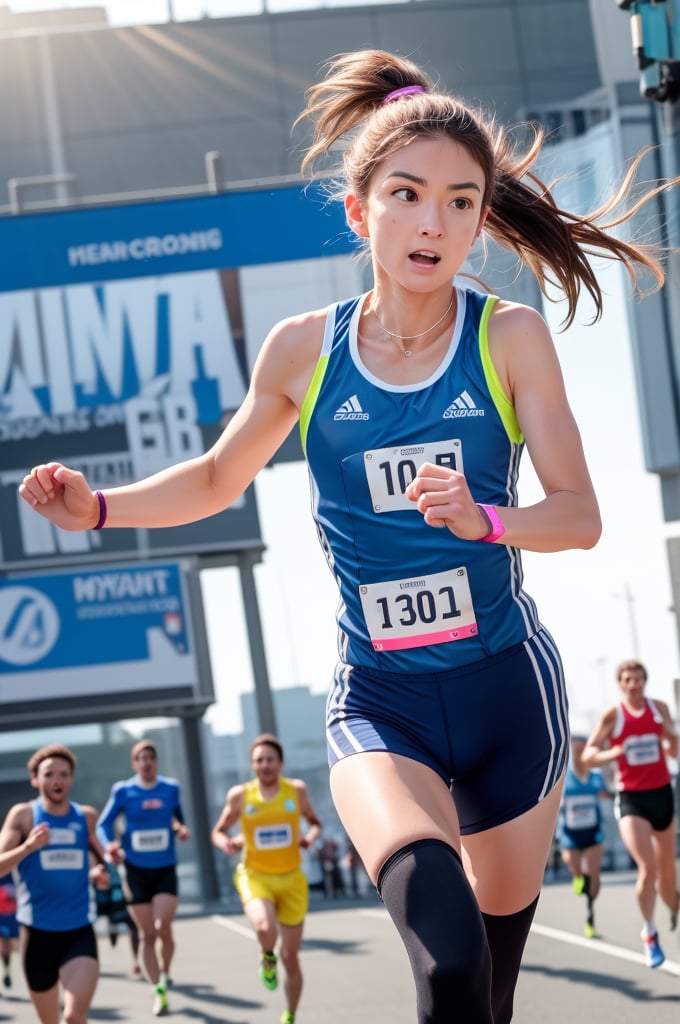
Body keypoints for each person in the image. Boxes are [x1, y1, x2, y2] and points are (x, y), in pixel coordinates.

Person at [18, 48, 679, 1023]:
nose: (432, 221)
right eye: (406, 194)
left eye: (460, 201)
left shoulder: (505, 338)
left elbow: (577, 515)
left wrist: (482, 517)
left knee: (486, 994)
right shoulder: (302, 351)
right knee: (446, 964)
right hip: (382, 701)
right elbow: (212, 477)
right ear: (358, 210)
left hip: (506, 695)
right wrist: (99, 507)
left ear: (481, 217)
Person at [211, 734, 321, 1024]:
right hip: (255, 875)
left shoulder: (296, 791)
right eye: (259, 760)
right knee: (264, 925)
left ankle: (290, 1014)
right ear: (252, 765)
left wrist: (309, 837)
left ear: (281, 763)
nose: (265, 765)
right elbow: (218, 830)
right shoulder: (240, 795)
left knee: (292, 958)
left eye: (270, 759)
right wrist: (226, 843)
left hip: (292, 881)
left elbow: (315, 823)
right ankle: (266, 957)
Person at [0, 744, 109, 1024]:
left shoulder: (85, 817)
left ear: (71, 779)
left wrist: (100, 872)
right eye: (49, 774)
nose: (57, 780)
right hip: (37, 934)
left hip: (79, 931)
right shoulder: (23, 815)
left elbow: (100, 859)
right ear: (35, 779)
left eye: (64, 774)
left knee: (74, 1017)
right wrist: (27, 847)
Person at [582, 659, 679, 968]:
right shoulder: (613, 715)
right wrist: (614, 752)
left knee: (668, 871)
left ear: (645, 681)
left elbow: (673, 750)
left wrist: (670, 736)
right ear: (620, 684)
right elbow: (587, 757)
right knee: (647, 867)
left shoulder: (659, 709)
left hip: (662, 793)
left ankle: (673, 908)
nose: (634, 684)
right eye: (628, 679)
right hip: (632, 799)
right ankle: (649, 932)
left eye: (638, 679)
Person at [96, 740, 189, 1016]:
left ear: (156, 761)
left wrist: (181, 829)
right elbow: (103, 824)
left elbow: (178, 819)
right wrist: (110, 846)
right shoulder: (124, 790)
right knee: (148, 934)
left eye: (150, 757)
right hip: (135, 870)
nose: (146, 762)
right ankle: (158, 987)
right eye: (140, 758)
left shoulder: (170, 788)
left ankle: (166, 970)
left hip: (164, 869)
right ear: (134, 763)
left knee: (163, 928)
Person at [555, 734, 610, 938]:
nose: (578, 754)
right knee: (574, 865)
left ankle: (590, 912)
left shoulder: (596, 778)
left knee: (592, 871)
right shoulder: (563, 776)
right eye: (575, 750)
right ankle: (578, 876)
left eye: (582, 749)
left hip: (593, 832)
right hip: (570, 833)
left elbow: (607, 793)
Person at [95, 861, 141, 978]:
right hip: (99, 887)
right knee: (86, 927)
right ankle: (91, 962)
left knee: (134, 923)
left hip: (118, 889)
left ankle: (136, 962)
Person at [0, 873, 18, 991]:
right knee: (4, 945)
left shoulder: (16, 870)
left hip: (13, 914)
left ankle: (7, 970)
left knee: (8, 947)